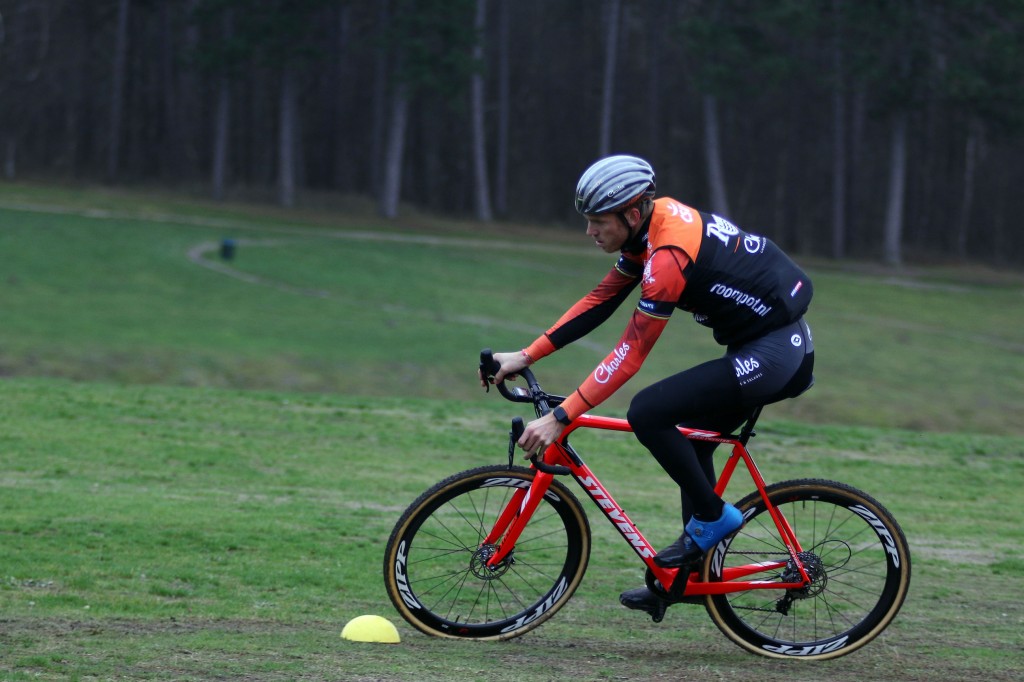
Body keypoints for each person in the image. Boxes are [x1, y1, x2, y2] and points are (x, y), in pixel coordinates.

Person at [482, 154, 815, 621]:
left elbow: (630, 354)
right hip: (757, 344)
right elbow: (600, 300)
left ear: (632, 214)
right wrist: (526, 354)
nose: (590, 231)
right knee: (687, 431)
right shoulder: (649, 232)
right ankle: (683, 580)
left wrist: (562, 417)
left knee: (649, 412)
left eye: (598, 222)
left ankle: (712, 520)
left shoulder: (668, 256)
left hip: (775, 351)